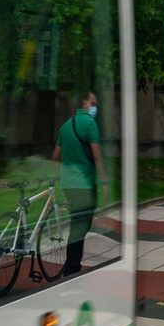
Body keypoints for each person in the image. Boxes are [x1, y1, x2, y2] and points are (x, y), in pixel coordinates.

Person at [51, 91, 103, 277]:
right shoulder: (90, 124)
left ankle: (72, 264)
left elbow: (56, 156)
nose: (95, 107)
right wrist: (103, 180)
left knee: (79, 222)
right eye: (93, 102)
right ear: (85, 103)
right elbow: (96, 155)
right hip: (85, 184)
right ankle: (72, 268)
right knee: (80, 224)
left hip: (68, 184)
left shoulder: (66, 126)